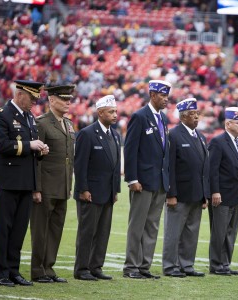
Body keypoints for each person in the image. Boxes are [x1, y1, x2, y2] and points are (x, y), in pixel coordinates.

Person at [0, 80, 48, 287]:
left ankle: (13, 270)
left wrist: (39, 151)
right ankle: (0, 272)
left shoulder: (29, 117)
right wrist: (29, 145)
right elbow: (1, 145)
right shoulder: (0, 114)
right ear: (20, 94)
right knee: (3, 229)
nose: (34, 102)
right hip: (5, 181)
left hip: (24, 181)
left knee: (19, 230)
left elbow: (30, 152)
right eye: (31, 98)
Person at [123, 80, 171, 279]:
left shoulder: (163, 119)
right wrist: (132, 178)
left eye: (167, 96)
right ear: (152, 95)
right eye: (163, 96)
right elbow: (130, 149)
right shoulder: (139, 116)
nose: (166, 99)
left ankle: (144, 266)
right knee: (137, 225)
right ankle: (131, 267)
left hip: (159, 182)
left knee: (152, 226)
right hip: (142, 182)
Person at [30, 84, 76, 283]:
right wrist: (37, 187)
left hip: (63, 186)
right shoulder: (42, 123)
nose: (68, 102)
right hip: (46, 186)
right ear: (51, 100)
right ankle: (37, 270)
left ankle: (49, 268)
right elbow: (36, 159)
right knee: (40, 229)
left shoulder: (68, 124)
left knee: (56, 229)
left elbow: (69, 158)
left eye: (69, 99)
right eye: (63, 99)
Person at [73, 95, 121, 281]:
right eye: (111, 112)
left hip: (108, 193)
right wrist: (83, 189)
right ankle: (82, 269)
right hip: (90, 193)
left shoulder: (115, 135)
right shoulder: (87, 133)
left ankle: (96, 267)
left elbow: (115, 167)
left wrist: (115, 190)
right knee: (87, 233)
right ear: (100, 113)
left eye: (115, 111)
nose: (115, 115)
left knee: (102, 233)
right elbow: (80, 165)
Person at [162, 98, 210, 278]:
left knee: (191, 232)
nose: (196, 117)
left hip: (196, 195)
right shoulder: (173, 135)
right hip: (179, 194)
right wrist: (171, 193)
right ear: (183, 117)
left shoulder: (201, 137)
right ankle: (170, 266)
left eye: (197, 114)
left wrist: (205, 195)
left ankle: (186, 264)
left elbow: (204, 169)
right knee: (173, 232)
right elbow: (170, 167)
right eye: (192, 114)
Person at [208, 107, 238, 276]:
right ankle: (216, 264)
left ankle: (225, 263)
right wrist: (215, 191)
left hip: (237, 194)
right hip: (222, 194)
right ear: (228, 123)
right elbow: (212, 169)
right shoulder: (218, 141)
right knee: (220, 231)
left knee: (231, 231)